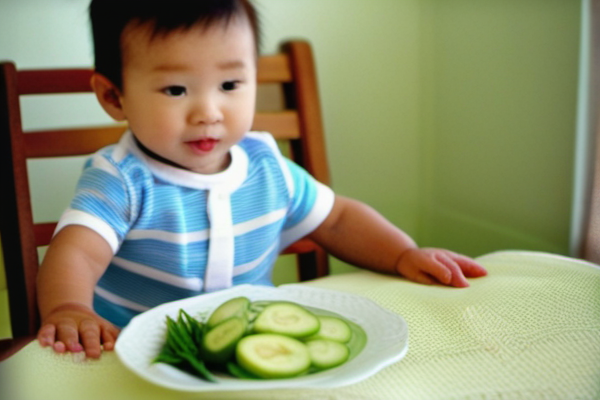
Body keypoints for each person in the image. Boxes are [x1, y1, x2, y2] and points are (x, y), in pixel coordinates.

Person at [36, 0, 487, 359]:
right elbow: (76, 252)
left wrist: (403, 254)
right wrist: (70, 309)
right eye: (176, 89)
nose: (209, 112)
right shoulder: (121, 178)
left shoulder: (265, 164)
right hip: (141, 353)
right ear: (114, 96)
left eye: (230, 85)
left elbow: (339, 221)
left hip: (255, 343)